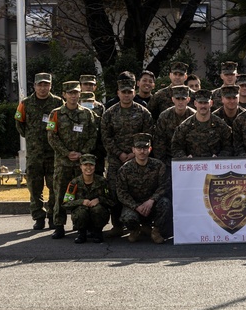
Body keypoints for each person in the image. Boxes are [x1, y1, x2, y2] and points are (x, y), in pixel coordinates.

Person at [101, 78, 154, 235]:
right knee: (114, 192)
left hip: (139, 159)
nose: (126, 95)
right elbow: (106, 137)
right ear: (118, 93)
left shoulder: (143, 112)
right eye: (123, 92)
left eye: (129, 92)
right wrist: (120, 153)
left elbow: (149, 134)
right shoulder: (109, 113)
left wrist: (133, 154)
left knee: (142, 190)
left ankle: (144, 224)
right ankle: (117, 225)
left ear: (134, 92)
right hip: (116, 160)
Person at [47, 80, 99, 238]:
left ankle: (84, 225)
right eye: (70, 93)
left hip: (82, 163)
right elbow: (51, 136)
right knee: (60, 194)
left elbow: (93, 135)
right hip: (63, 163)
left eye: (76, 93)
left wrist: (82, 153)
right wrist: (66, 153)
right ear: (64, 95)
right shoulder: (55, 113)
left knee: (83, 195)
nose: (73, 96)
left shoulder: (87, 113)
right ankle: (59, 225)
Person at [15, 73, 64, 230]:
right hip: (34, 154)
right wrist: (31, 137)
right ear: (34, 86)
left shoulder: (58, 102)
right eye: (40, 85)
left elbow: (63, 124)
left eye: (46, 85)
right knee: (34, 187)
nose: (43, 88)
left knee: (53, 187)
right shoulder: (26, 103)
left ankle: (51, 215)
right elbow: (19, 123)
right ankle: (38, 217)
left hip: (53, 153)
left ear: (50, 85)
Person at [117, 133, 171, 244]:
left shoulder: (159, 166)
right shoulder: (125, 169)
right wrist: (136, 206)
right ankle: (135, 230)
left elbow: (164, 186)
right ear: (133, 150)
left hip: (152, 204)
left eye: (145, 148)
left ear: (150, 149)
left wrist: (151, 200)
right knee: (128, 217)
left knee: (165, 203)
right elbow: (121, 193)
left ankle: (156, 231)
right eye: (139, 148)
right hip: (134, 206)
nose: (142, 151)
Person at [62, 153, 115, 244]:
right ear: (80, 167)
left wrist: (99, 200)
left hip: (97, 216)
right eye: (85, 165)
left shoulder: (102, 181)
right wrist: (81, 201)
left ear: (95, 166)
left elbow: (112, 202)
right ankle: (81, 234)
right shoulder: (74, 183)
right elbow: (65, 203)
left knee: (98, 209)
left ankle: (98, 233)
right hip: (82, 216)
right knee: (80, 211)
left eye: (91, 165)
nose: (88, 168)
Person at [172, 89, 233, 158]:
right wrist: (185, 158)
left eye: (205, 103)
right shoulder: (185, 126)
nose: (203, 106)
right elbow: (176, 148)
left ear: (211, 103)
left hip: (215, 166)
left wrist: (219, 158)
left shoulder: (221, 125)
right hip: (192, 166)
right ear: (195, 103)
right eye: (200, 103)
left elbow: (228, 147)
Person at [152, 85, 195, 164]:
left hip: (190, 158)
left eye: (183, 99)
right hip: (169, 158)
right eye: (177, 99)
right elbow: (159, 141)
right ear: (173, 99)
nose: (180, 102)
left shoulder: (194, 116)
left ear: (188, 99)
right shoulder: (164, 116)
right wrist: (162, 162)